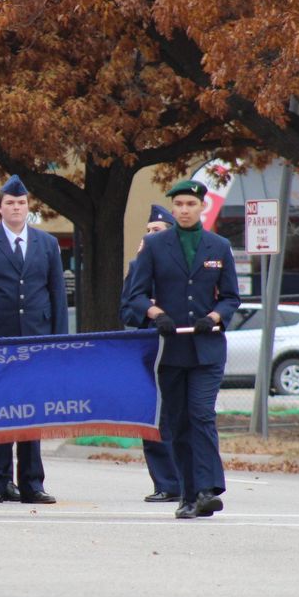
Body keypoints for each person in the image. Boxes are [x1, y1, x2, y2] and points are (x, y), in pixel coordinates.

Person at [123, 180, 241, 519]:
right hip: (170, 349)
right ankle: (189, 496)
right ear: (173, 209)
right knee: (178, 421)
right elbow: (136, 294)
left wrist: (214, 316)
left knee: (201, 415)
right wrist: (156, 314)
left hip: (206, 348)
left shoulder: (218, 247)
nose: (185, 210)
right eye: (180, 204)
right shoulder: (156, 246)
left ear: (202, 206)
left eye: (191, 204)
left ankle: (208, 489)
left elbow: (232, 296)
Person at [0, 174, 67, 505]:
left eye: (21, 203)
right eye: (10, 203)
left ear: (28, 206)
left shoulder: (46, 243)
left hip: (35, 341)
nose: (16, 208)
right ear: (1, 207)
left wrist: (56, 342)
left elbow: (56, 294)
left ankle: (32, 483)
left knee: (30, 414)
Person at [120, 204, 182, 503]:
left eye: (156, 231)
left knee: (182, 416)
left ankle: (189, 480)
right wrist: (148, 308)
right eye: (147, 231)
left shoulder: (183, 266)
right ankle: (164, 483)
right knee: (153, 418)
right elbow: (126, 309)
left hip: (180, 349)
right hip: (148, 349)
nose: (149, 236)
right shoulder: (136, 267)